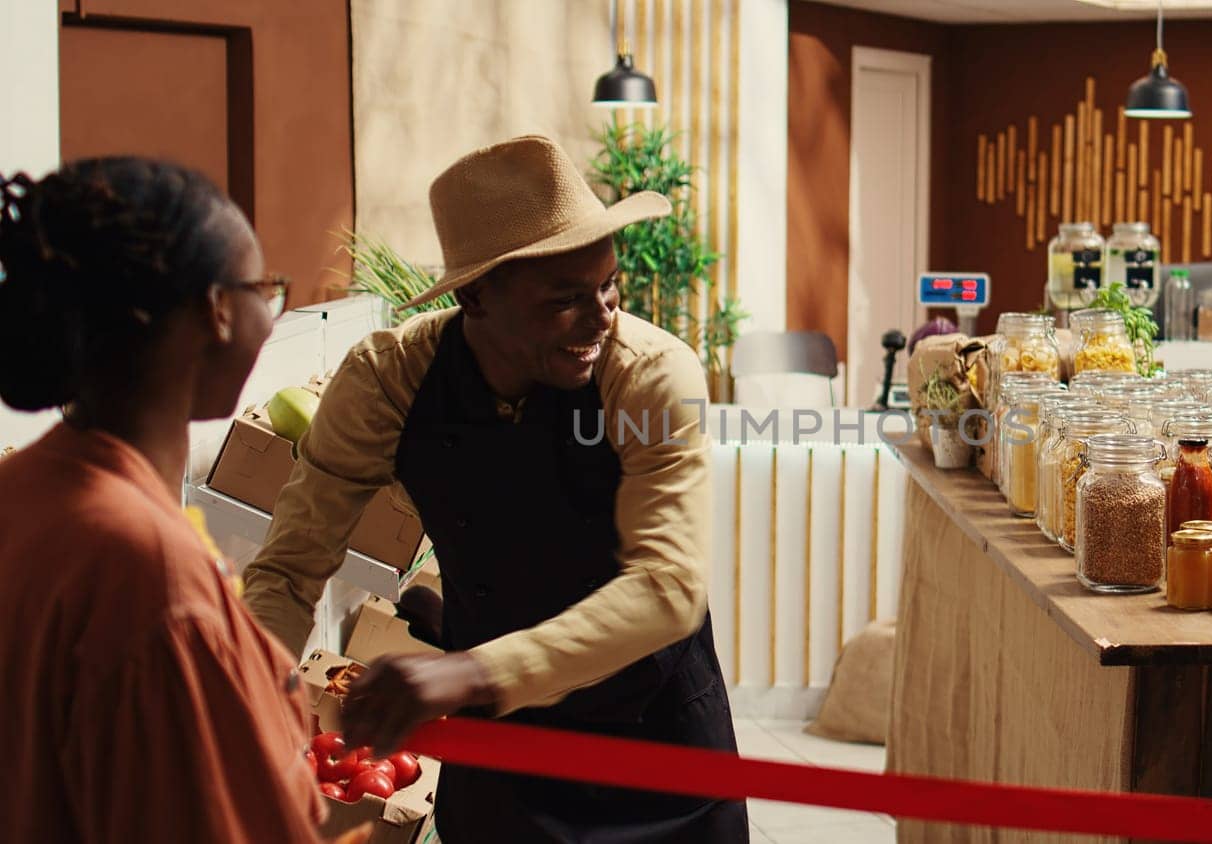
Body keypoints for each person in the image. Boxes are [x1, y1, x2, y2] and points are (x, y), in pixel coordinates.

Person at [241, 135, 748, 841]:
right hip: (503, 763)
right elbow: (290, 566)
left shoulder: (650, 375)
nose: (601, 316)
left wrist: (472, 674)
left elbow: (668, 588)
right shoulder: (389, 381)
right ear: (476, 295)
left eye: (609, 286)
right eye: (564, 300)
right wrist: (247, 700)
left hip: (659, 750)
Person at [0, 158, 337, 841]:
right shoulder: (149, 574)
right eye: (263, 290)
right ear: (216, 310)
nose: (270, 316)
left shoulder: (25, 490)